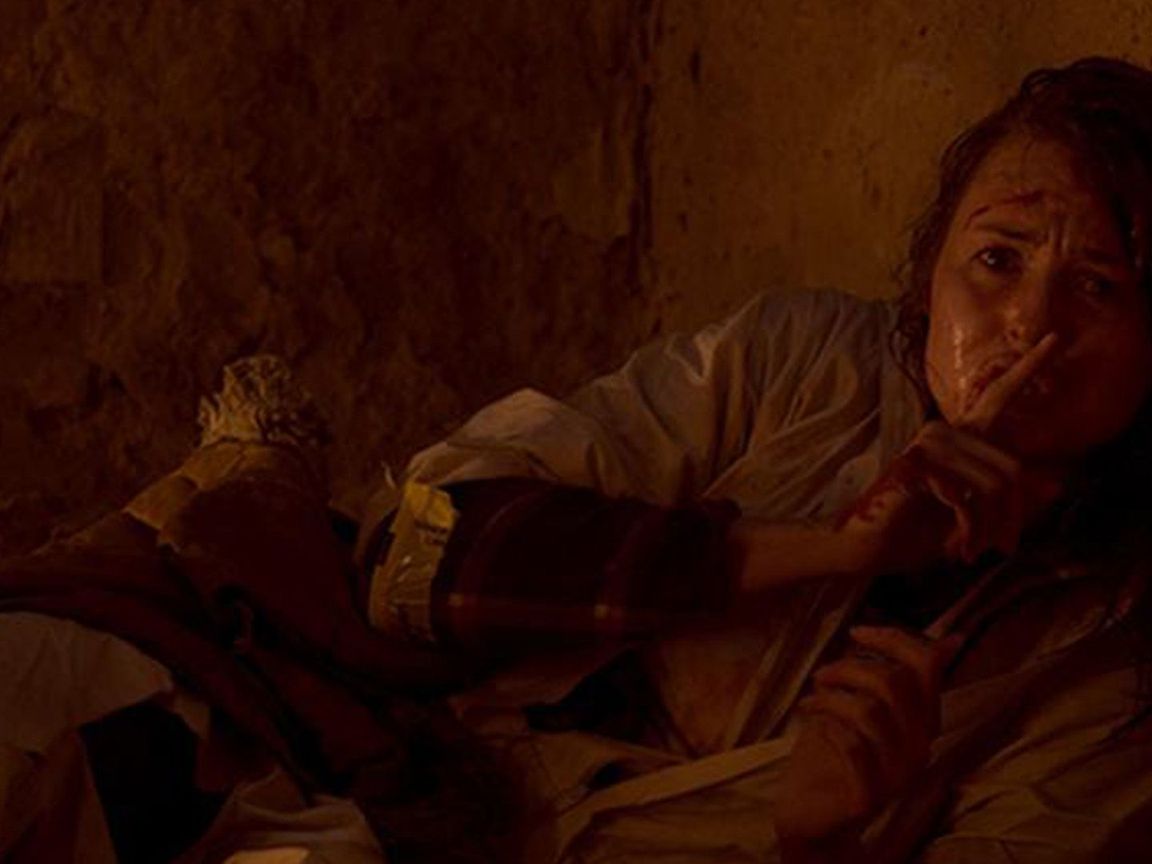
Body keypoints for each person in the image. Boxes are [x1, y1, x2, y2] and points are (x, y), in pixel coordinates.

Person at [4, 55, 1152, 864]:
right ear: (929, 272)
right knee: (40, 682)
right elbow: (423, 551)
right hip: (362, 740)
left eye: (1098, 288)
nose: (1029, 327)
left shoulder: (1102, 677)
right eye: (996, 260)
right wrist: (824, 550)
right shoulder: (802, 364)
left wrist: (818, 843)